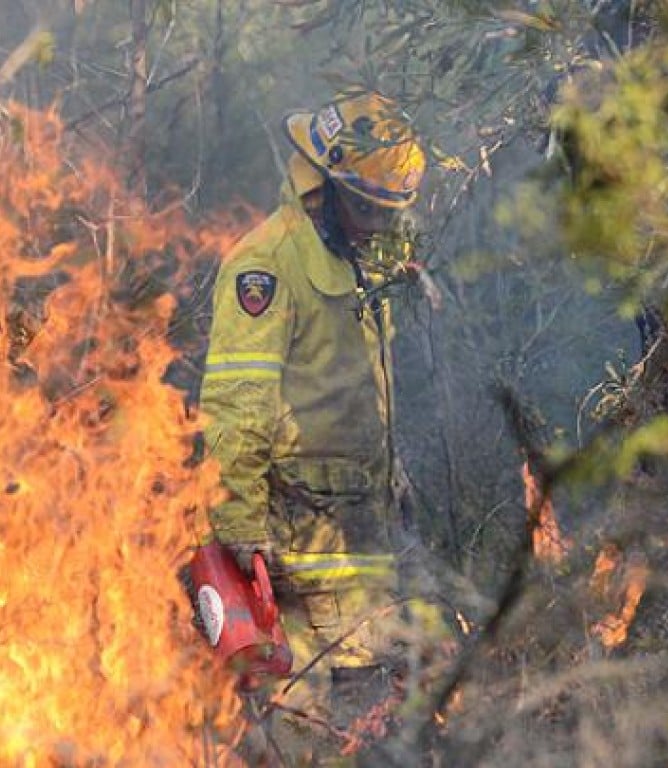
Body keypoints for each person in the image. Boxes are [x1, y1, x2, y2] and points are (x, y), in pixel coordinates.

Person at [199, 91, 440, 765]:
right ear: (324, 185)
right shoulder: (268, 265)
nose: (375, 225)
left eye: (386, 212)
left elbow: (357, 390)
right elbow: (238, 401)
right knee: (298, 721)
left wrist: (393, 477)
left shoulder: (354, 261)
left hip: (361, 531)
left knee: (369, 708)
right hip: (293, 543)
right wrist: (242, 523)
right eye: (365, 207)